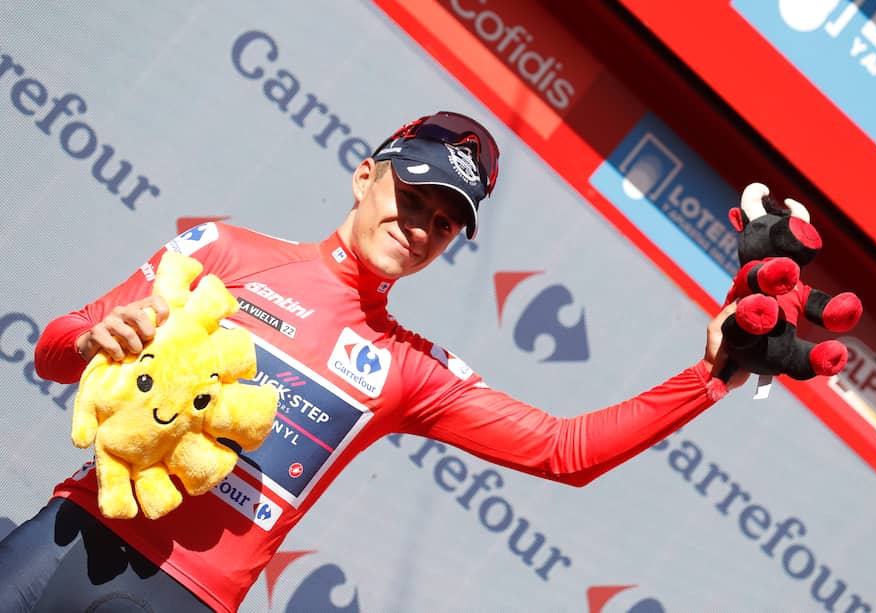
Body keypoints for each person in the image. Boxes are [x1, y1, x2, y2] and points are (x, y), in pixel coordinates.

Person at [0, 111, 748, 612]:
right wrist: (97, 340)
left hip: (188, 597)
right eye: (413, 196)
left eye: (444, 221)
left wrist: (710, 376)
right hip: (70, 533)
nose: (421, 226)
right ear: (365, 176)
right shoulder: (224, 252)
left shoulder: (406, 367)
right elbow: (55, 348)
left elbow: (565, 450)